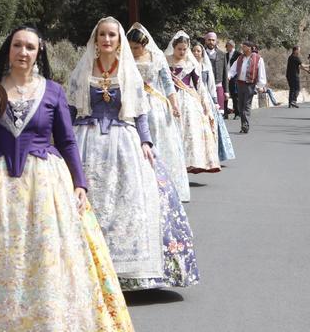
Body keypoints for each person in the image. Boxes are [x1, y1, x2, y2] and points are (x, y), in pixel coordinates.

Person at [0, 26, 133, 330]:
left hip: (44, 187)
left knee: (45, 256)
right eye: (17, 45)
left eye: (30, 47)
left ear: (39, 52)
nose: (23, 52)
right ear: (8, 50)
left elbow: (66, 141)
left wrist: (79, 183)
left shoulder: (53, 91)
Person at [68, 18, 199, 292]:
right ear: (95, 39)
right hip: (86, 140)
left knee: (130, 199)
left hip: (123, 140)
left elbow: (140, 111)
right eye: (102, 35)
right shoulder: (83, 70)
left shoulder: (129, 71)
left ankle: (130, 272)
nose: (107, 39)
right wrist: (62, 143)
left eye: (112, 35)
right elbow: (69, 110)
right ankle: (84, 268)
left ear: (119, 41)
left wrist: (146, 142)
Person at [127, 23, 191, 202]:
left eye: (136, 47)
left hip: (155, 106)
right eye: (130, 47)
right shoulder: (124, 58)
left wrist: (174, 104)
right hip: (132, 104)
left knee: (160, 144)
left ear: (144, 45)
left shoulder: (157, 58)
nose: (133, 51)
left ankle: (164, 185)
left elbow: (168, 83)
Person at [165, 32, 221, 173]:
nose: (182, 52)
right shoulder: (165, 61)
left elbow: (199, 85)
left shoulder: (191, 63)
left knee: (189, 132)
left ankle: (189, 162)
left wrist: (205, 105)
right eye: (179, 49)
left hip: (187, 100)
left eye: (184, 49)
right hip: (169, 98)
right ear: (173, 47)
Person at [193, 42, 235, 162]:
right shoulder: (188, 65)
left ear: (202, 53)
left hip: (205, 98)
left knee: (211, 125)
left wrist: (215, 101)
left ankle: (214, 154)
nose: (196, 53)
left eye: (198, 51)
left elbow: (211, 85)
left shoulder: (206, 67)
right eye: (194, 51)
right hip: (192, 97)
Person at [228, 40, 267, 133]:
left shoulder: (258, 59)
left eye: (244, 47)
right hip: (240, 84)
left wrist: (260, 85)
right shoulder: (240, 58)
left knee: (246, 105)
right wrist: (229, 76)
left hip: (250, 85)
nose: (242, 48)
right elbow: (233, 69)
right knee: (240, 105)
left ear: (249, 48)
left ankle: (245, 125)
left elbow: (261, 73)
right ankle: (243, 124)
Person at [203, 32, 229, 112]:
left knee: (219, 112)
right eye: (209, 40)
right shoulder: (201, 53)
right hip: (205, 87)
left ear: (216, 41)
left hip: (218, 86)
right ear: (205, 40)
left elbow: (225, 73)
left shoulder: (222, 54)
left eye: (213, 40)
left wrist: (226, 91)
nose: (211, 42)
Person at [225, 39, 239, 119]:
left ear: (231, 46)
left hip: (234, 78)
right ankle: (225, 113)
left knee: (235, 95)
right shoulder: (225, 55)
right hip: (225, 77)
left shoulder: (238, 55)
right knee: (225, 94)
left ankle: (237, 113)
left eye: (227, 46)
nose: (226, 48)